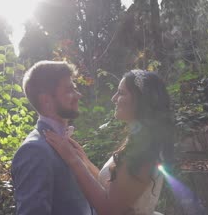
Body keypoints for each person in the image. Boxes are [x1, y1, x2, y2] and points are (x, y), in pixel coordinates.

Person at [45, 70, 175, 215]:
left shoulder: (144, 153)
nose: (114, 98)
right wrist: (83, 160)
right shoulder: (139, 141)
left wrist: (73, 160)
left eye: (121, 93)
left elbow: (109, 210)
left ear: (141, 100)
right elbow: (112, 187)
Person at [11, 60, 94, 215]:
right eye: (69, 90)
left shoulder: (66, 142)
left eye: (74, 88)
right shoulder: (34, 150)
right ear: (46, 100)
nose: (78, 95)